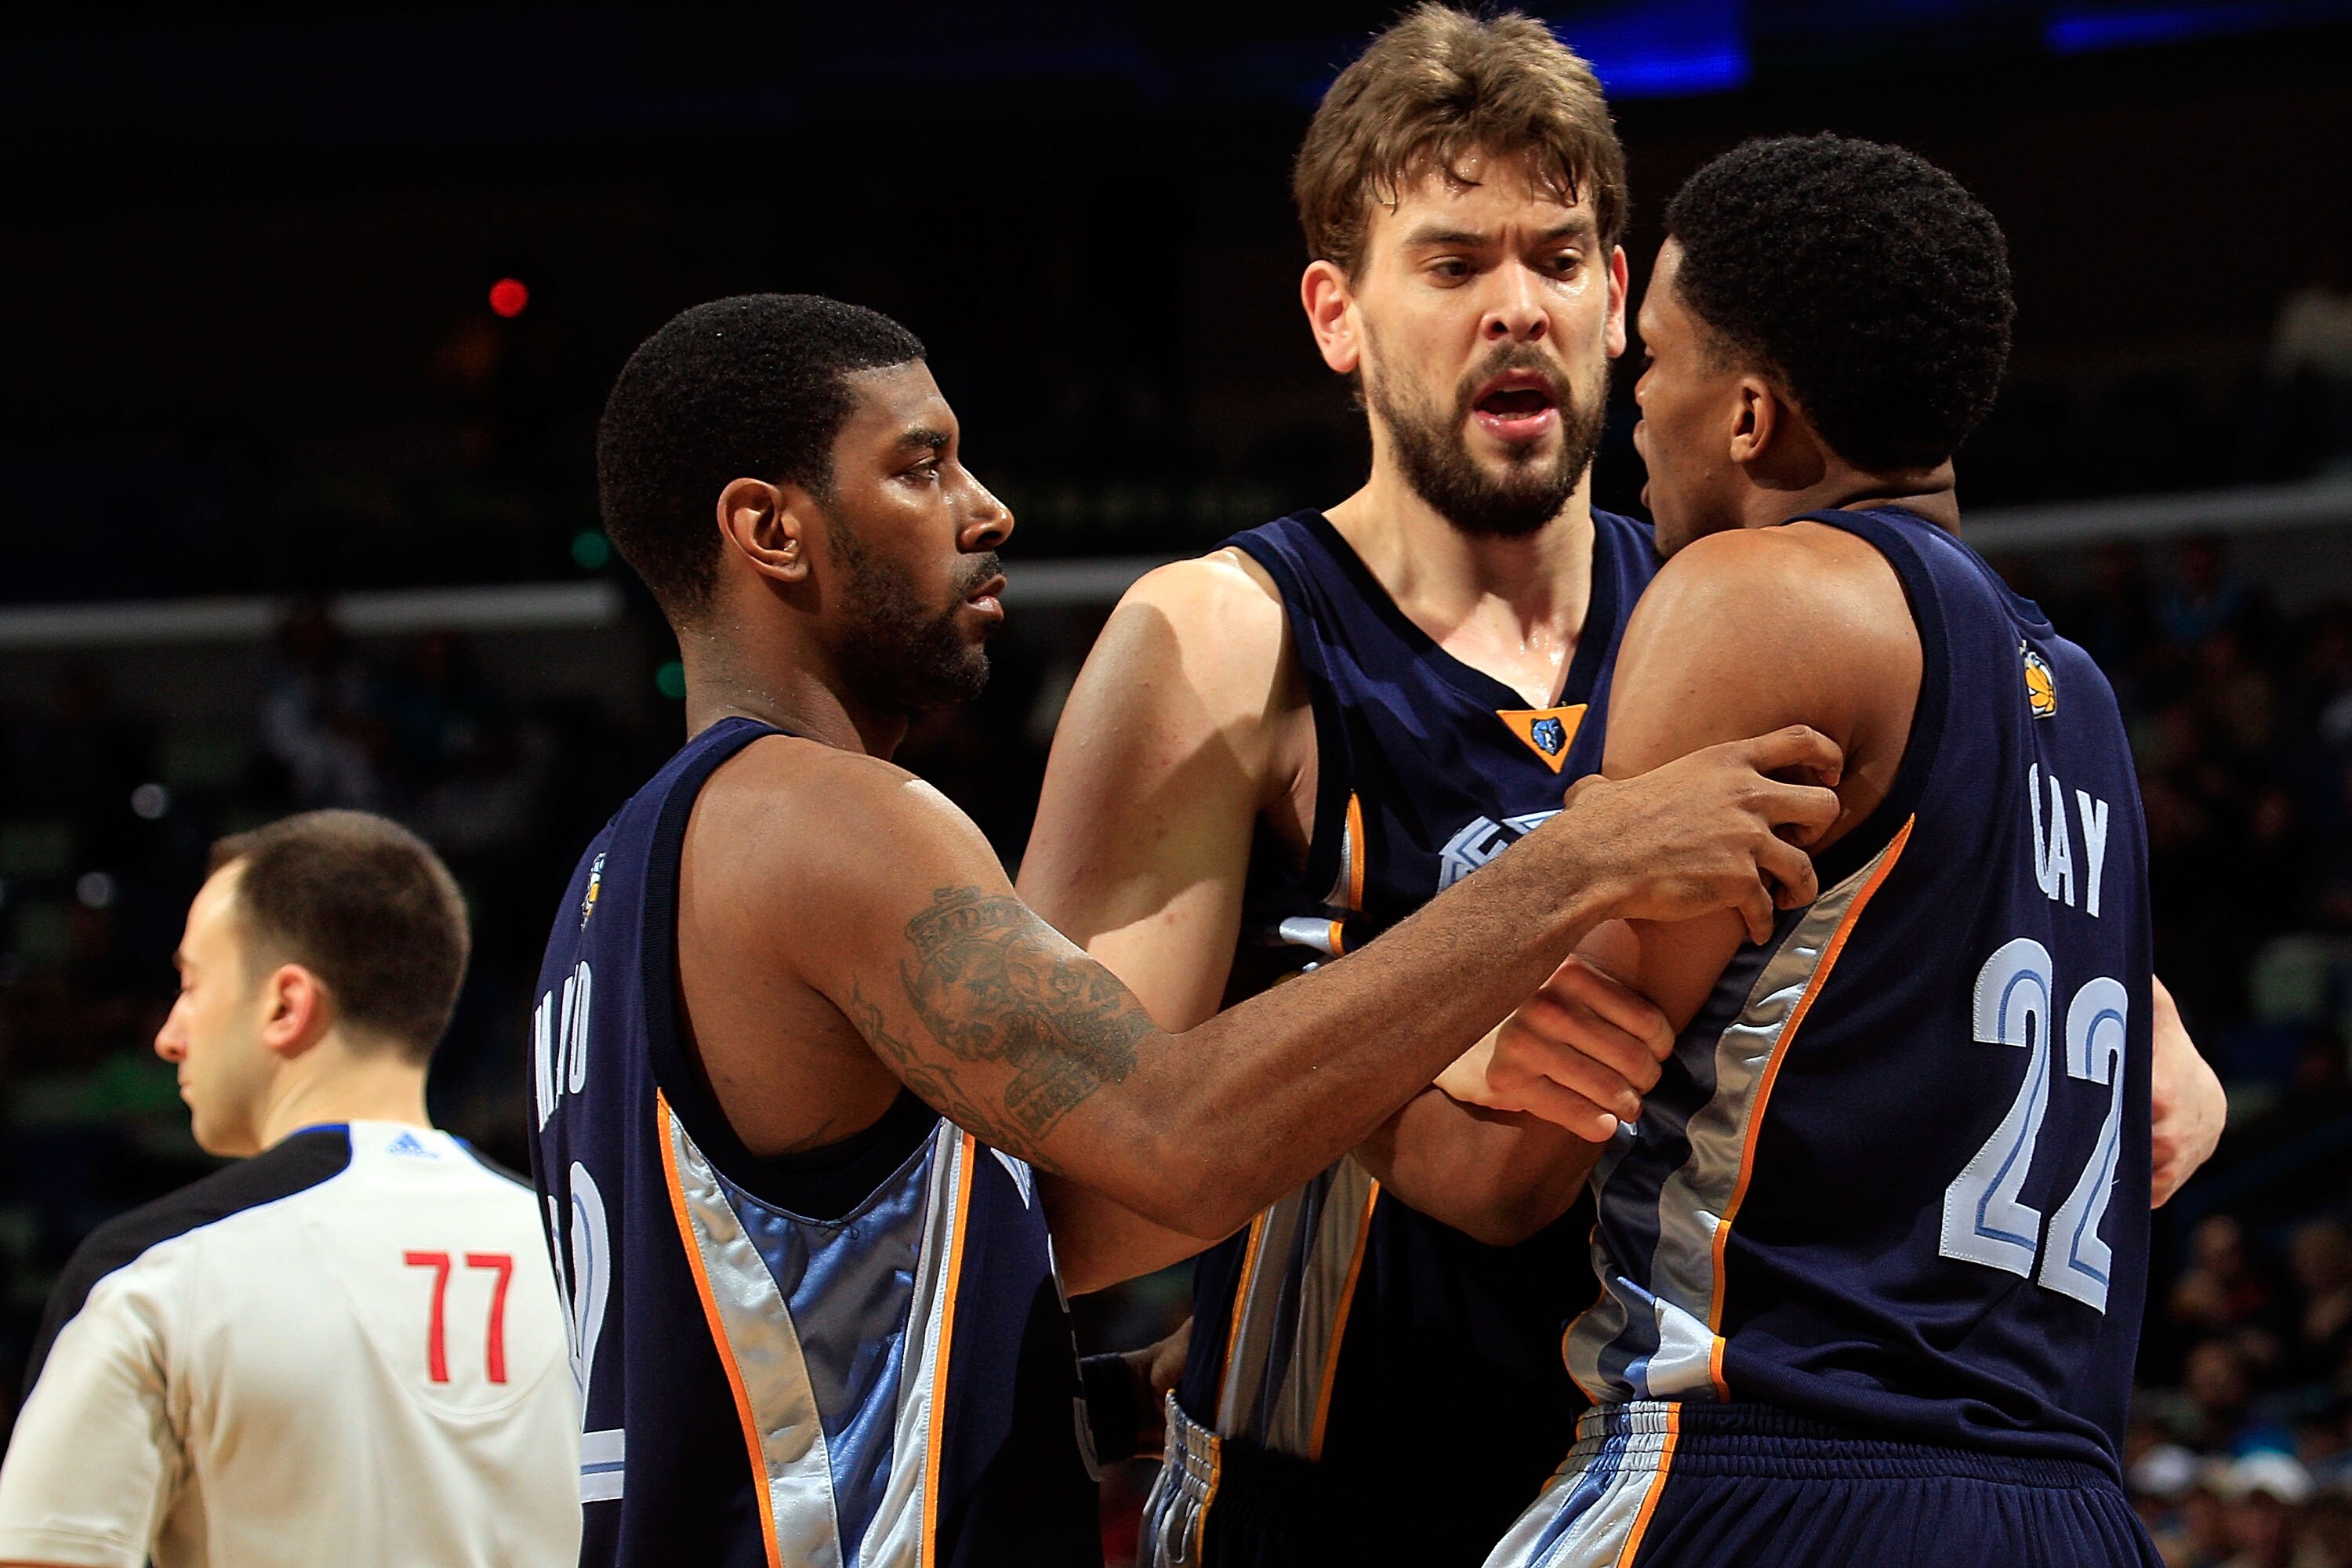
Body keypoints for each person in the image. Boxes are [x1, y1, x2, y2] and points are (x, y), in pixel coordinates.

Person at [1015, 10, 2224, 1567]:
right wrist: (1391, 1003)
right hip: (1339, 1502)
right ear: (1338, 314)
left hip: (1680, 1481)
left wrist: (2150, 1000)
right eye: (1454, 266)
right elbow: (1065, 1199)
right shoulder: (1225, 641)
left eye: (1565, 257)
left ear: (1624, 299)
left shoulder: (1758, 613)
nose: (1519, 307)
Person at [528, 291, 1846, 1567]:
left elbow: (991, 1234)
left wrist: (1087, 1384)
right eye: (921, 467)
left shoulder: (618, 877)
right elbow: (1175, 1138)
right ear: (769, 528)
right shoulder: (832, 823)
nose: (987, 508)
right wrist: (1581, 862)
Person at [1476, 134, 2165, 1566]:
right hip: (2073, 1511)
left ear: (1749, 417)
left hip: (1765, 1470)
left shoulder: (1756, 597)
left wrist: (1320, 1021)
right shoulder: (2080, 701)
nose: (1632, 400)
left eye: (1652, 354)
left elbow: (1520, 1159)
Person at [0, 811, 578, 1568]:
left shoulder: (154, 1271)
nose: (169, 1035)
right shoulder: (588, 1268)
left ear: (285, 1005)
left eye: (190, 984)